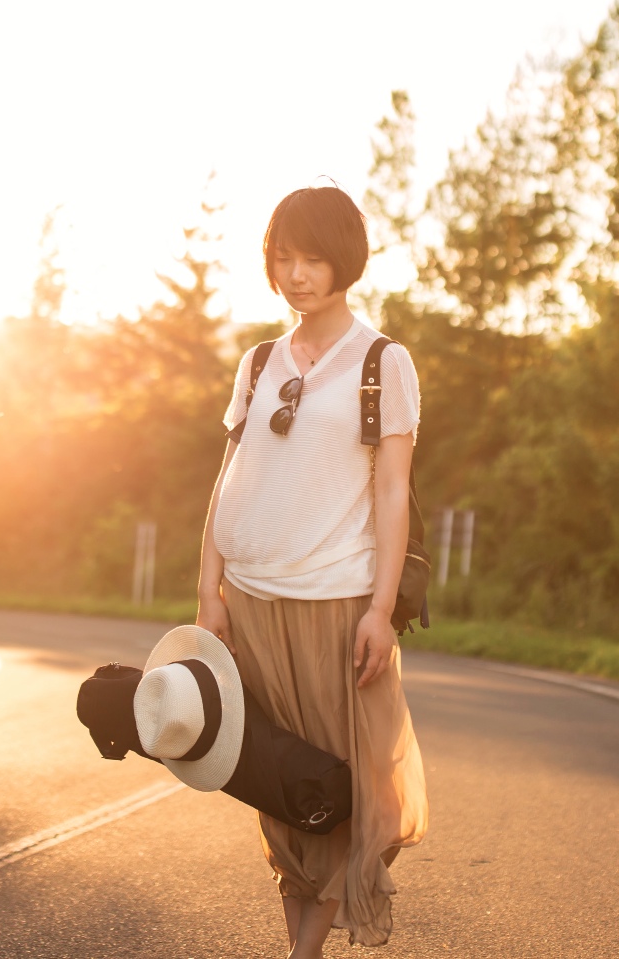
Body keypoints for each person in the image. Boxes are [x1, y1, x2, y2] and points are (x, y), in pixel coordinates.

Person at [196, 186, 429, 955]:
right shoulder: (259, 360)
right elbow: (231, 477)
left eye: (313, 258)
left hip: (335, 600)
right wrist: (210, 592)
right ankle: (301, 950)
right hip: (253, 601)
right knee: (280, 782)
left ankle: (304, 953)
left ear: (346, 261)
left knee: (334, 786)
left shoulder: (382, 363)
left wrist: (381, 608)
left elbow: (393, 492)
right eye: (282, 258)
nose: (296, 274)